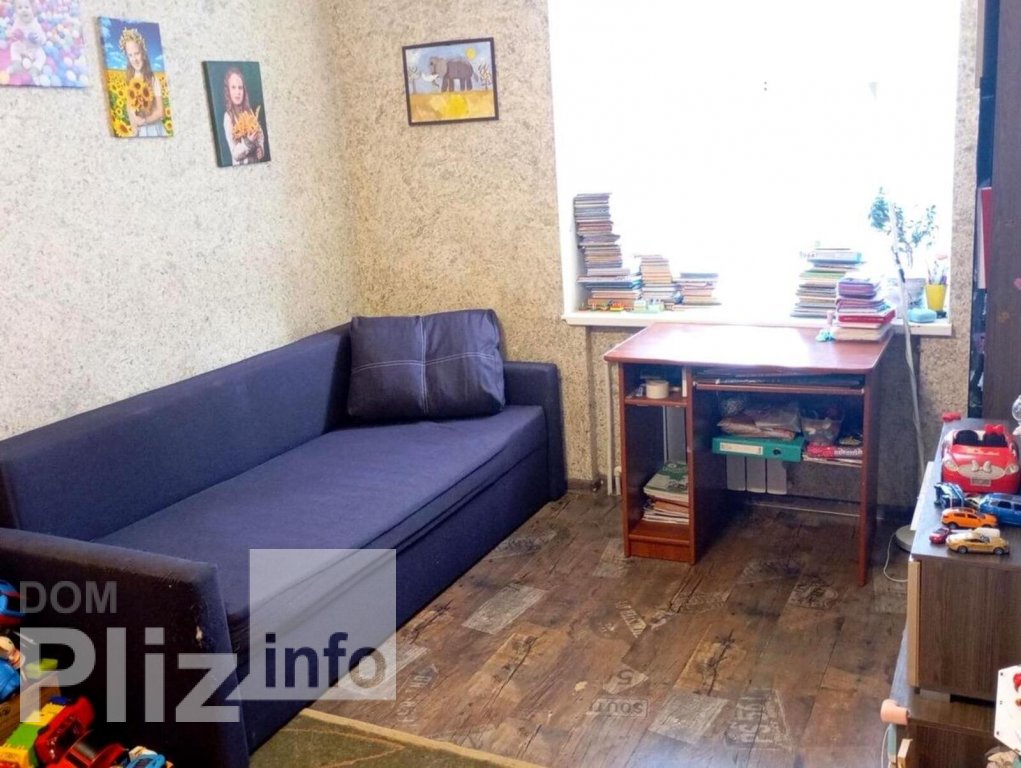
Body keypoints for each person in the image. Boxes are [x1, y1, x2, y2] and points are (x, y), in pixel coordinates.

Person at [120, 28, 165, 137]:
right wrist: (133, 126)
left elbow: (160, 112)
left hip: (153, 129)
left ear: (143, 53)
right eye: (130, 55)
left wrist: (144, 121)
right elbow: (129, 107)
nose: (134, 59)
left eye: (137, 53)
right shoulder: (129, 79)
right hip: (139, 132)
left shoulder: (153, 79)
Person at [222, 67, 265, 165]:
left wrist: (261, 148)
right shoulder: (228, 117)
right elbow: (235, 154)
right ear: (228, 91)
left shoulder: (249, 112)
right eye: (233, 87)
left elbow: (260, 134)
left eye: (240, 88)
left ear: (244, 90)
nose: (237, 92)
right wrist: (248, 141)